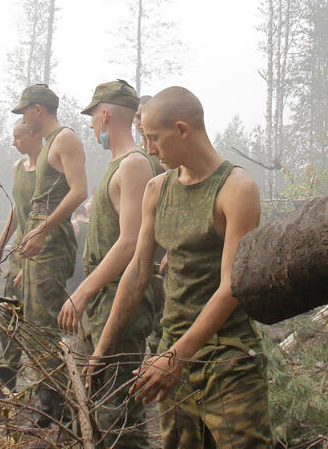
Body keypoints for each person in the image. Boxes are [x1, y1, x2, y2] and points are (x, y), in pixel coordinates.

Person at [89, 87, 270, 448]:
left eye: (154, 138)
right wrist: (102, 350)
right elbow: (138, 273)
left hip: (228, 360)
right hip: (172, 361)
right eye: (145, 139)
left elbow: (230, 286)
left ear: (182, 130)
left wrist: (175, 356)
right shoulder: (157, 189)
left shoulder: (236, 189)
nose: (150, 149)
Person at [57, 80, 160, 448]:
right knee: (94, 406)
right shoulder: (119, 165)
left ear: (105, 114)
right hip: (102, 304)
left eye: (92, 118)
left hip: (120, 303)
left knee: (118, 419)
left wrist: (81, 293)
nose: (90, 127)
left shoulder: (134, 165)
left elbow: (131, 242)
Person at [11, 84, 88, 424]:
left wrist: (43, 230)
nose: (24, 118)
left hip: (52, 243)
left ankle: (57, 409)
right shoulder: (45, 150)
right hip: (37, 247)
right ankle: (49, 402)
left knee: (43, 328)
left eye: (25, 111)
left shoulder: (64, 139)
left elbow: (80, 191)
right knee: (33, 326)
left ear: (38, 110)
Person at [0, 119, 42, 391]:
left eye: (18, 136)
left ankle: (50, 395)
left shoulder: (49, 166)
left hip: (41, 253)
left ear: (33, 134)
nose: (14, 142)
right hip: (19, 251)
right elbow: (17, 211)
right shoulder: (18, 168)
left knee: (36, 326)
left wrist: (30, 268)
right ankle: (6, 389)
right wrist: (0, 247)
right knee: (9, 320)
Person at [136, 92, 168, 352]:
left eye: (141, 115)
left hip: (163, 247)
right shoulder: (137, 155)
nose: (138, 121)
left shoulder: (165, 157)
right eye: (135, 116)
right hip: (142, 243)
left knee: (163, 312)